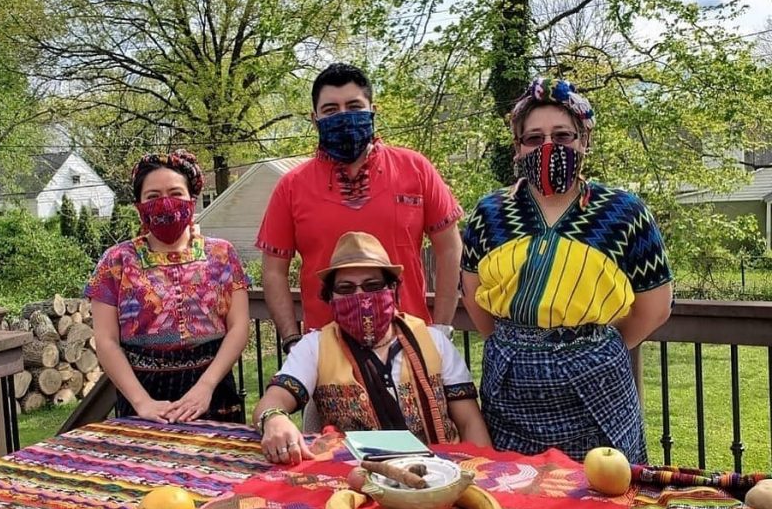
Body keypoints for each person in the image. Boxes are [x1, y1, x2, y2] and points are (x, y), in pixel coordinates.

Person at [461, 78, 673, 464]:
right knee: (514, 486)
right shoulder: (490, 213)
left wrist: (589, 345)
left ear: (584, 140)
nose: (549, 147)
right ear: (518, 147)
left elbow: (654, 307)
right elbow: (476, 299)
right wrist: (521, 344)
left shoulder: (623, 211)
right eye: (534, 138)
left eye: (562, 136)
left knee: (604, 487)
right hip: (510, 388)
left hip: (598, 384)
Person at [256, 62, 463, 354]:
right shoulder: (291, 187)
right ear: (315, 119)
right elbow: (274, 270)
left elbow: (450, 248)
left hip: (410, 343)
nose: (344, 116)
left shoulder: (416, 169)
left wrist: (440, 328)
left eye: (354, 106)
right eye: (331, 110)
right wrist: (292, 340)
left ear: (372, 110)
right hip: (327, 351)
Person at [252, 231, 491, 464]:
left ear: (392, 289)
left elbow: (469, 422)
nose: (361, 297)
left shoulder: (433, 341)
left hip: (442, 472)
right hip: (356, 474)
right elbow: (273, 400)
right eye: (346, 288)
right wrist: (274, 419)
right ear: (330, 297)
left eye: (372, 286)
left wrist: (484, 469)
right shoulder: (315, 347)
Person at [86, 150, 250, 424]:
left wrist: (206, 386)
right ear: (138, 205)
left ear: (192, 200)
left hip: (213, 389)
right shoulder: (116, 261)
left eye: (175, 193)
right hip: (142, 395)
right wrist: (142, 403)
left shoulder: (222, 255)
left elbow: (239, 327)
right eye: (153, 196)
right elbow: (106, 340)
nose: (165, 203)